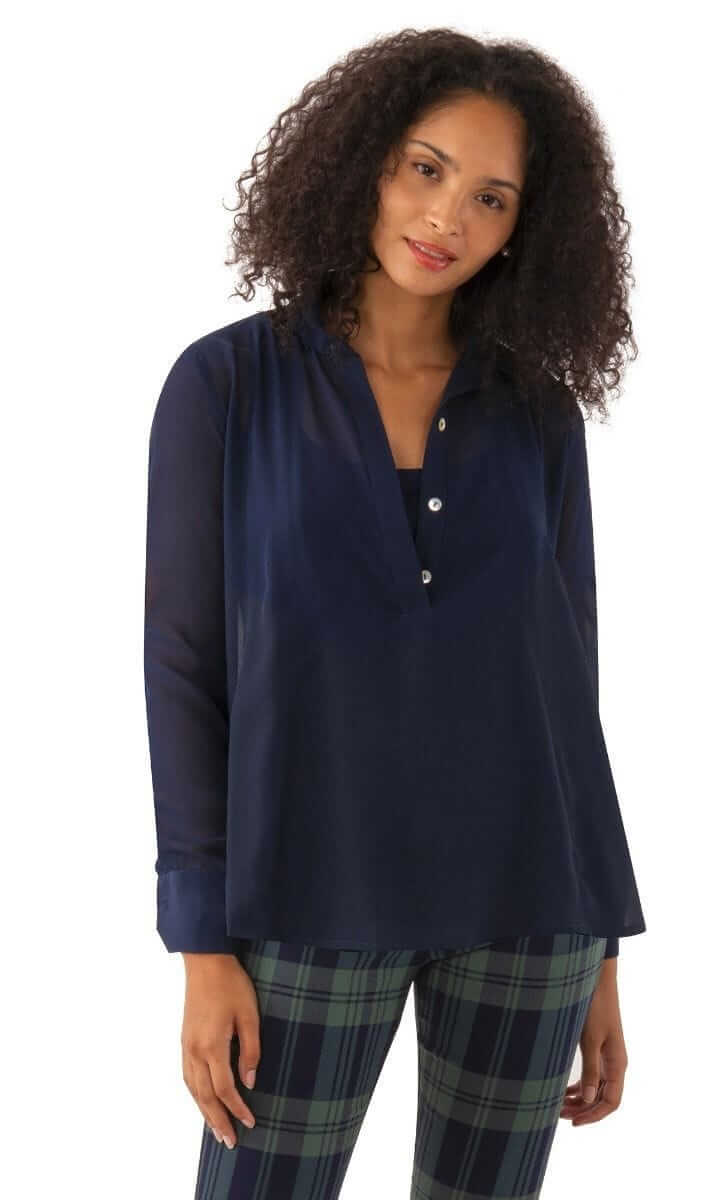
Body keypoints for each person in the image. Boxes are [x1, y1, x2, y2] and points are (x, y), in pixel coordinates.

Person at [143, 27, 647, 1199]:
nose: (446, 217)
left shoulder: (538, 413)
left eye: (490, 197)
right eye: (426, 169)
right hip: (306, 894)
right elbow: (184, 668)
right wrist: (201, 941)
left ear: (525, 227)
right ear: (365, 161)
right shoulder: (227, 387)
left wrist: (603, 944)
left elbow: (567, 678)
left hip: (530, 909)